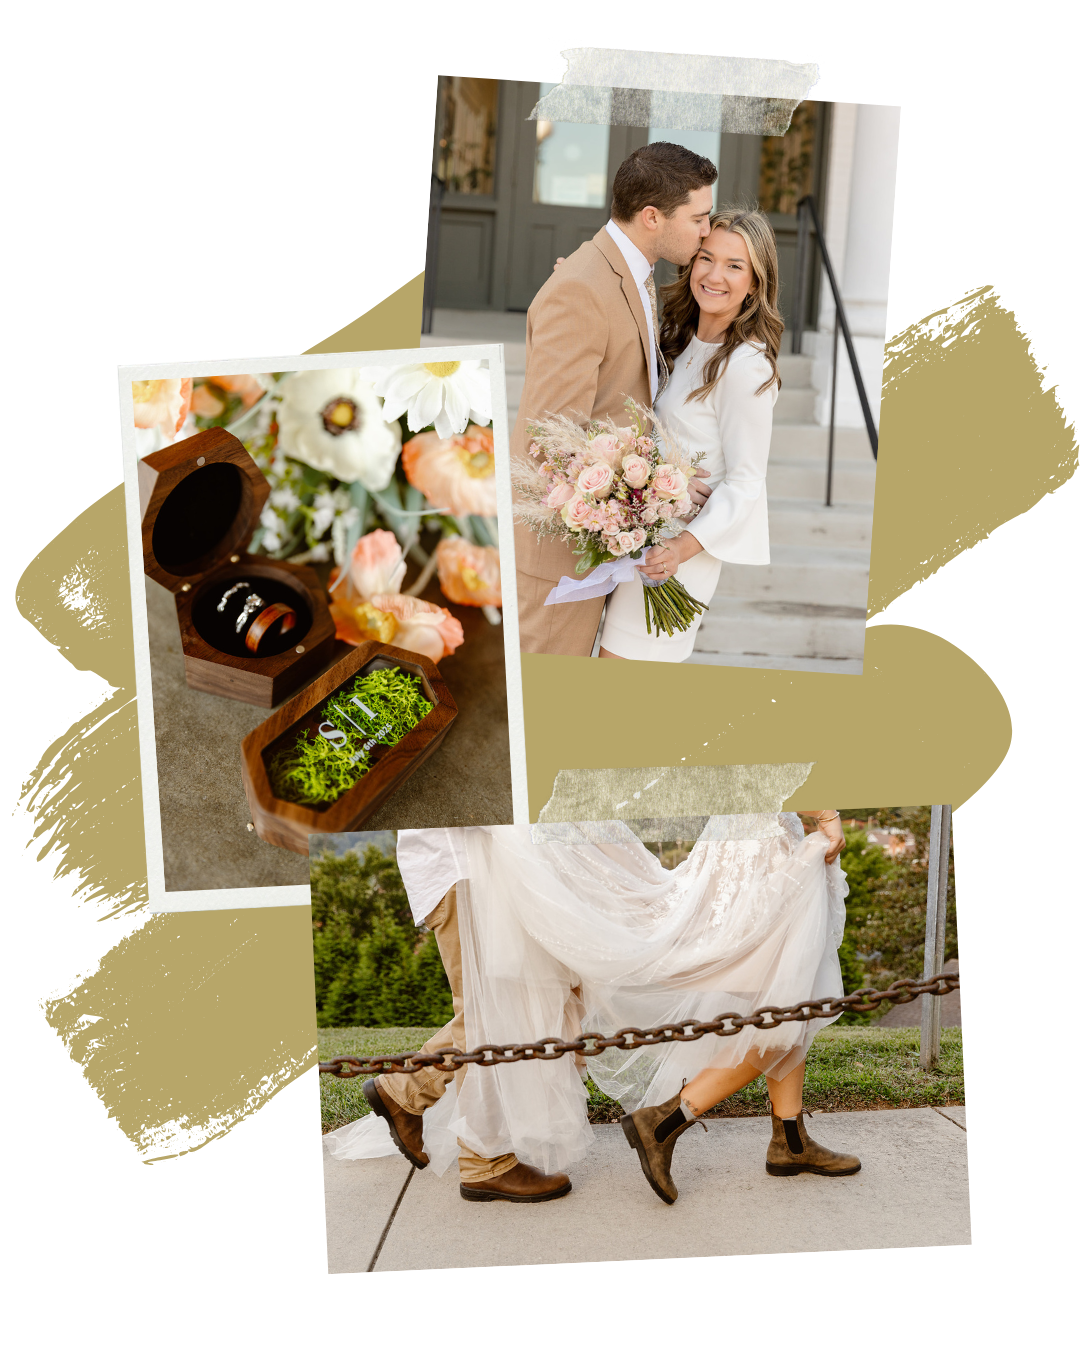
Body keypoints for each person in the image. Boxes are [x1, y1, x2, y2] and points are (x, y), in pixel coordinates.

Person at [397, 811, 862, 1205]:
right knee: (780, 999)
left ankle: (405, 1089)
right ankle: (657, 1122)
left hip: (518, 857)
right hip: (476, 862)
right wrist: (824, 810)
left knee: (555, 992)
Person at [512, 142, 718, 658]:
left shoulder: (630, 274)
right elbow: (550, 440)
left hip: (597, 549)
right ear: (653, 216)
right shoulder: (582, 288)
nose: (707, 230)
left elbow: (625, 391)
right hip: (558, 557)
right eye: (699, 217)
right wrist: (661, 485)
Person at [342, 828, 576, 1203]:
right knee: (485, 1016)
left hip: (478, 866)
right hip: (462, 865)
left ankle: (405, 1089)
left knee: (516, 1003)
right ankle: (485, 1163)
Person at [597, 207, 783, 662]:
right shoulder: (678, 336)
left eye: (735, 266)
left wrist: (680, 548)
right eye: (706, 257)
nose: (714, 275)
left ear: (756, 283)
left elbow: (745, 481)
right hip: (638, 536)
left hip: (676, 558)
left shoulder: (746, 367)